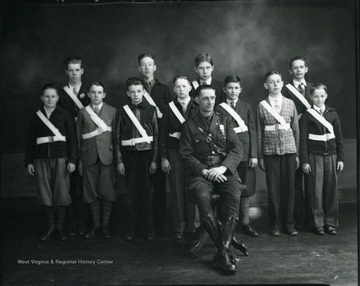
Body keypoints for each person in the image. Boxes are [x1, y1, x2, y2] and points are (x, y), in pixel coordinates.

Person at [179, 85, 245, 273]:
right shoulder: (188, 125)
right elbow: (185, 155)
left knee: (234, 194)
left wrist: (223, 168)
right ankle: (224, 253)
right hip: (202, 174)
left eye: (212, 98)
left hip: (224, 171)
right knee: (201, 195)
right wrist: (206, 171)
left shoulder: (225, 120)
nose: (209, 102)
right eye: (205, 98)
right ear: (197, 100)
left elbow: (236, 149)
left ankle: (222, 253)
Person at [25, 83, 77, 241]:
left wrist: (72, 160)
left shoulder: (65, 115)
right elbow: (30, 142)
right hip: (41, 160)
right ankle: (50, 228)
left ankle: (60, 230)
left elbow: (72, 140)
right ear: (41, 98)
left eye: (53, 96)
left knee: (61, 192)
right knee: (45, 194)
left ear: (58, 98)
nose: (49, 99)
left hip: (61, 158)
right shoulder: (36, 117)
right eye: (46, 96)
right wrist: (29, 162)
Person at [257, 71, 300, 237]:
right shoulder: (261, 105)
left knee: (289, 188)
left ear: (282, 83)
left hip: (289, 150)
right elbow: (260, 132)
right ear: (266, 85)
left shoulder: (290, 103)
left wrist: (297, 155)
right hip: (270, 152)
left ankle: (289, 224)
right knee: (273, 189)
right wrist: (260, 156)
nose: (275, 84)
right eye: (271, 82)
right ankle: (274, 224)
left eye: (278, 81)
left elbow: (295, 129)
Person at [215, 75, 258, 237]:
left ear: (241, 90)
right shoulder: (219, 108)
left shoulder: (246, 107)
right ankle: (227, 223)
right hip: (228, 154)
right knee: (227, 189)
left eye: (236, 88)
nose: (233, 91)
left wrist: (254, 155)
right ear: (225, 89)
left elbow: (252, 130)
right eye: (230, 88)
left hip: (246, 153)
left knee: (245, 189)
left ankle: (245, 223)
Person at [117, 77, 158, 241]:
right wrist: (119, 160)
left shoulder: (151, 110)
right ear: (128, 93)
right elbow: (117, 136)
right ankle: (132, 229)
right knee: (131, 193)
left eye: (139, 91)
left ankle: (149, 229)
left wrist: (155, 159)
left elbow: (156, 135)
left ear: (144, 92)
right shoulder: (123, 111)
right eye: (132, 92)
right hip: (129, 156)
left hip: (146, 156)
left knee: (147, 193)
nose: (135, 95)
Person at [300, 83, 344, 235]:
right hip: (314, 157)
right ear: (311, 97)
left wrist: (341, 158)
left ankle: (330, 223)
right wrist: (305, 161)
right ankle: (317, 223)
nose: (319, 99)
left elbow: (339, 138)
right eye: (316, 96)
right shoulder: (307, 116)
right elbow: (303, 141)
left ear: (326, 96)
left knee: (331, 190)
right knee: (315, 191)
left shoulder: (333, 114)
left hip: (331, 156)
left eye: (322, 96)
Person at [76, 82, 119, 239]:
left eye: (99, 92)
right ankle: (95, 225)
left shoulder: (113, 111)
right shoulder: (82, 113)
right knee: (91, 191)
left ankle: (105, 226)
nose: (96, 95)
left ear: (104, 94)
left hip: (108, 156)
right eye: (93, 92)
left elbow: (116, 138)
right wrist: (79, 160)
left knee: (107, 191)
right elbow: (78, 136)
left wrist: (117, 159)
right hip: (88, 156)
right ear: (88, 94)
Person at [159, 75, 199, 240]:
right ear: (174, 89)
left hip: (194, 153)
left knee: (193, 188)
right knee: (176, 189)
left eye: (184, 86)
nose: (181, 90)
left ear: (190, 87)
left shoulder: (197, 105)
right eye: (178, 87)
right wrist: (163, 157)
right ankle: (179, 226)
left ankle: (193, 225)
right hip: (174, 152)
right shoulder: (169, 108)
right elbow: (162, 134)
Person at [138, 53, 172, 236]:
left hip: (160, 140)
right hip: (142, 142)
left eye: (150, 64)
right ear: (139, 68)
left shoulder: (163, 89)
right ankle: (146, 225)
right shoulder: (135, 88)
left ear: (155, 67)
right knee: (144, 186)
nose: (147, 68)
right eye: (143, 65)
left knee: (159, 187)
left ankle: (160, 225)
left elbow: (170, 114)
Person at [58, 56, 90, 236]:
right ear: (66, 72)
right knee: (69, 185)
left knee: (87, 184)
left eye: (77, 70)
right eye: (71, 70)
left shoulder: (92, 91)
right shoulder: (60, 95)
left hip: (88, 141)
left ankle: (85, 225)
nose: (74, 73)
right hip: (69, 143)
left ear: (82, 71)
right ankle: (71, 224)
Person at [283, 56, 314, 230]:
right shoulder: (285, 91)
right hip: (293, 136)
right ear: (290, 71)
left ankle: (312, 218)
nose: (299, 70)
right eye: (295, 68)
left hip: (311, 139)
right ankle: (298, 218)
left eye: (301, 67)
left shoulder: (313, 89)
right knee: (295, 181)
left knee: (310, 181)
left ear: (306, 69)